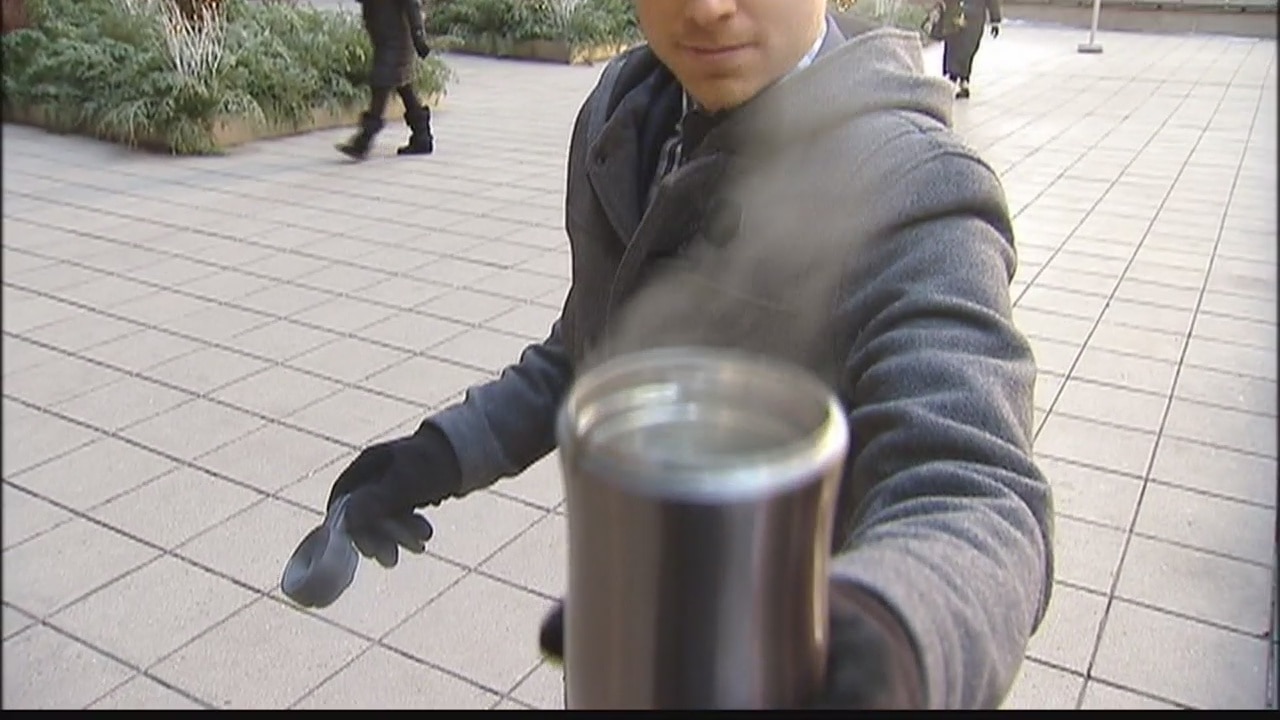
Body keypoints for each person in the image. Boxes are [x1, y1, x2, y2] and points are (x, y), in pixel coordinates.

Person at [321, 0, 1053, 709]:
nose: (705, 9)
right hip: (622, 652)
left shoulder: (912, 185)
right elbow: (597, 349)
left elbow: (974, 490)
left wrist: (889, 637)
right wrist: (442, 455)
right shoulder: (625, 116)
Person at [337, 0, 435, 159]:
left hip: (396, 41)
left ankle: (364, 139)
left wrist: (419, 36)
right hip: (384, 40)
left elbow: (412, 5)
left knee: (381, 83)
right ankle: (422, 136)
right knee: (403, 86)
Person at [942, 0, 1002, 99]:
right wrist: (995, 20)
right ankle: (958, 79)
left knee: (962, 48)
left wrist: (995, 20)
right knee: (959, 47)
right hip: (963, 15)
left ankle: (959, 79)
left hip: (968, 17)